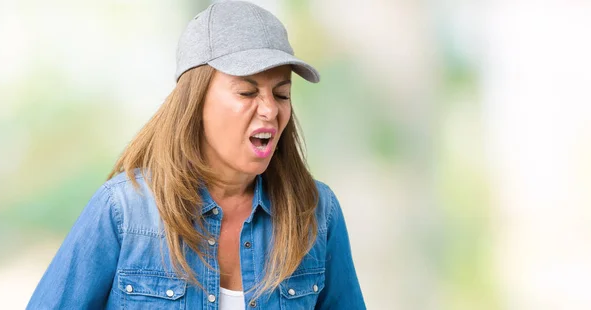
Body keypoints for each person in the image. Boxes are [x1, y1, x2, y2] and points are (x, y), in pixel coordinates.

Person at [27, 1, 365, 309]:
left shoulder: (317, 212)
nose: (269, 110)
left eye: (282, 94)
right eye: (247, 91)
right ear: (195, 102)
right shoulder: (123, 211)